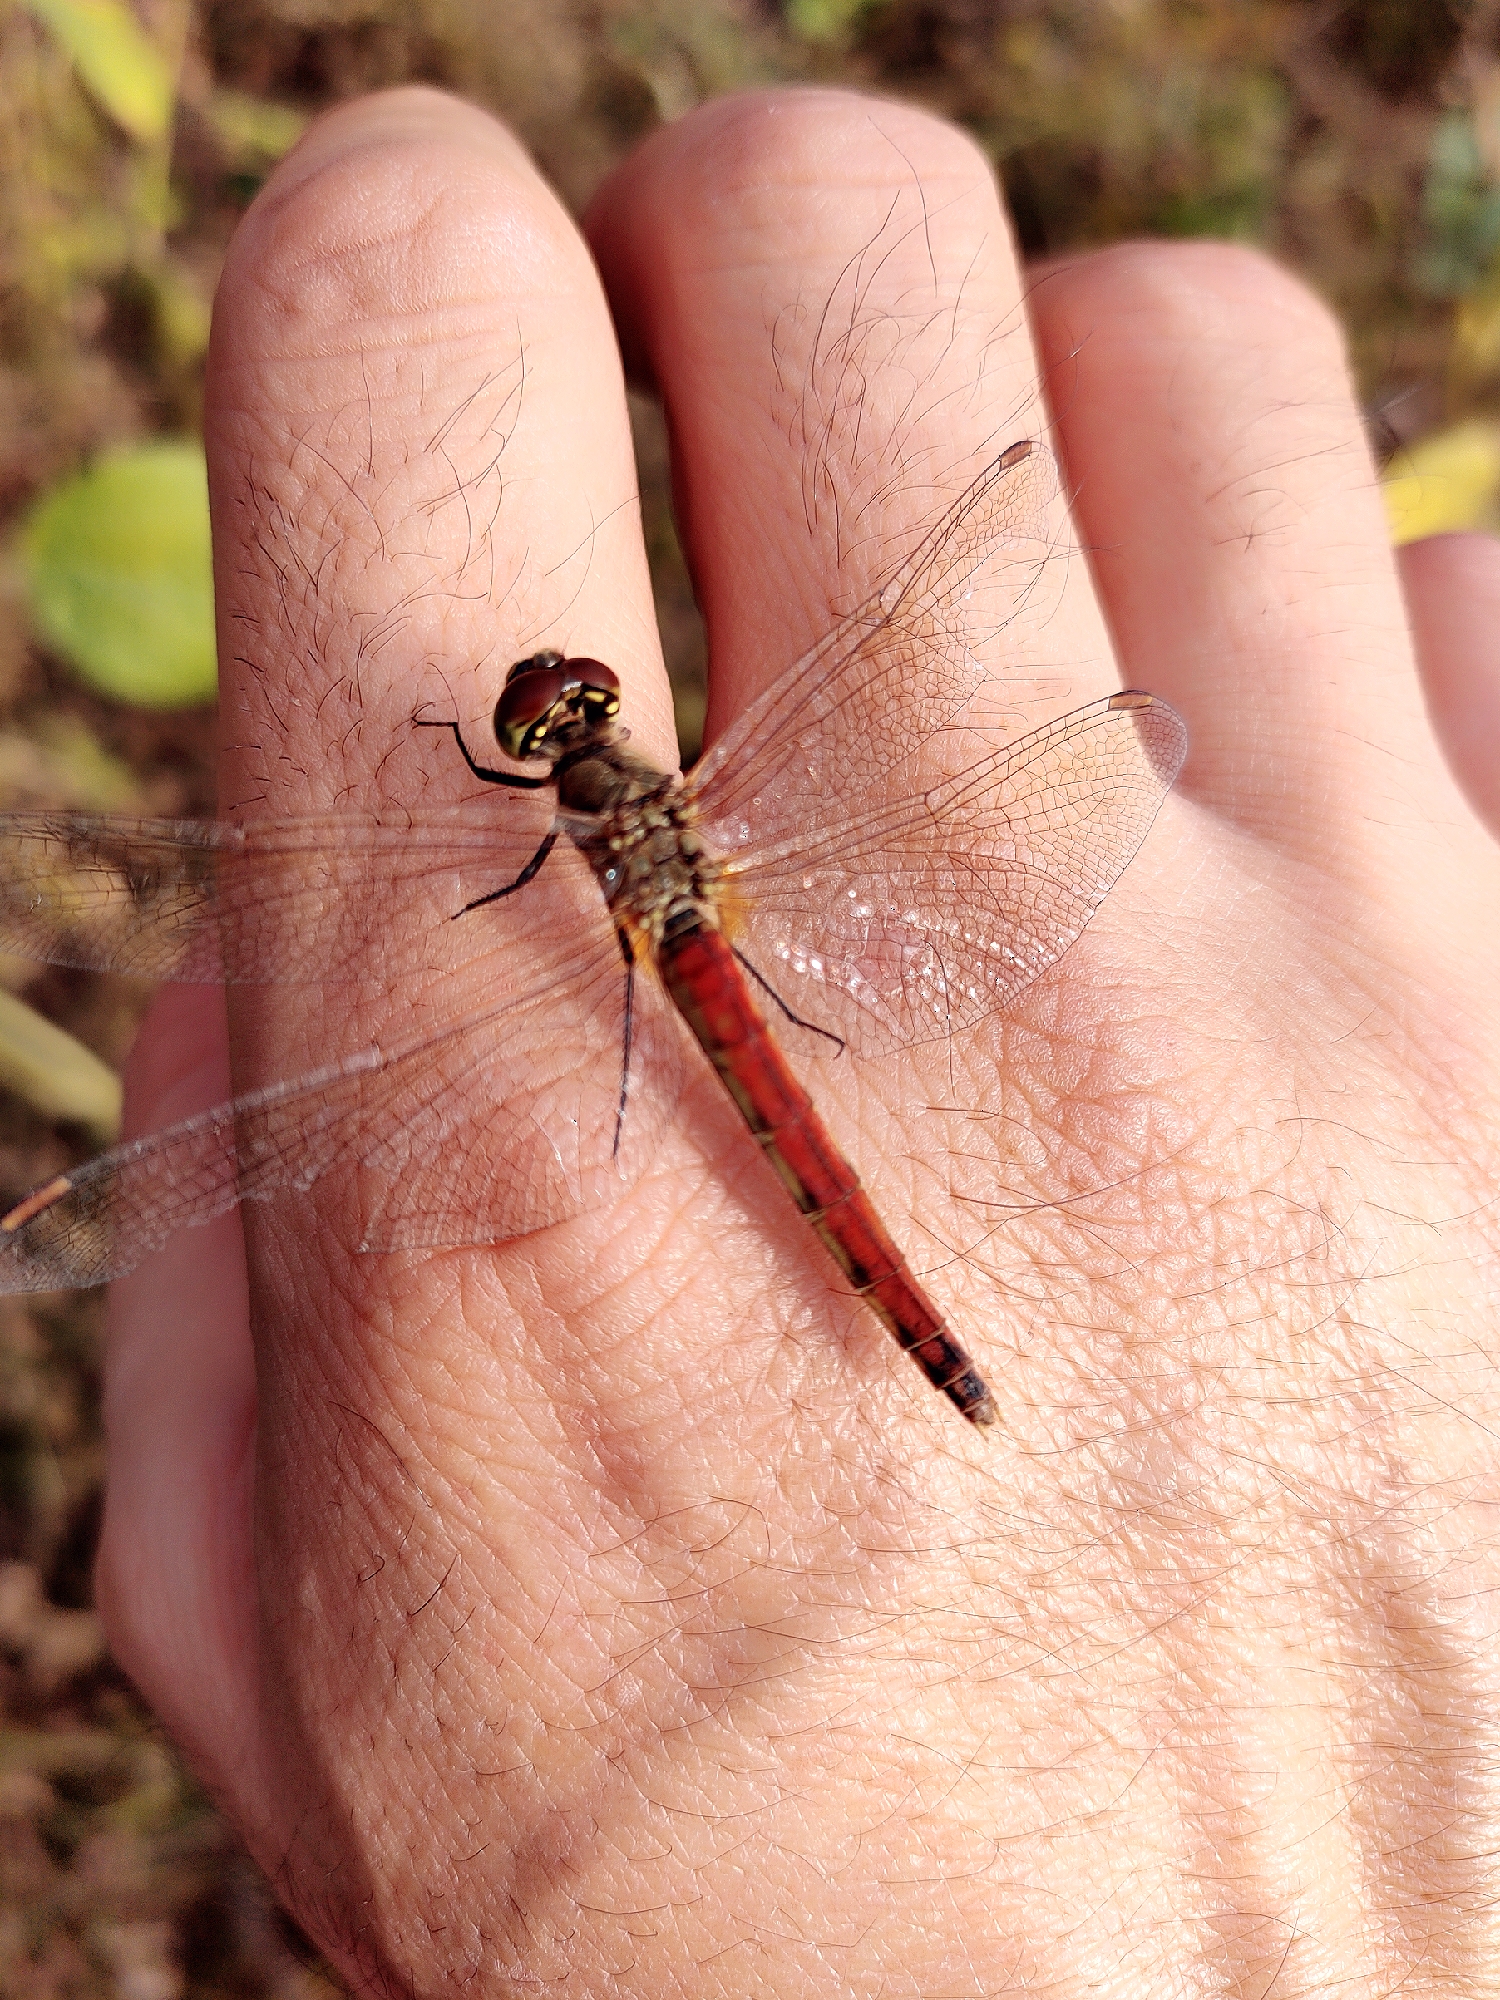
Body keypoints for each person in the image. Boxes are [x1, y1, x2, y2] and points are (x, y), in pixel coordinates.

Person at [93, 84, 1500, 1996]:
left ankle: (910, 1314)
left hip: (672, 968)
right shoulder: (661, 801)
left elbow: (496, 864)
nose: (562, 720)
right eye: (567, 710)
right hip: (719, 939)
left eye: (561, 713)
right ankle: (915, 1312)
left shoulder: (544, 829)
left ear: (555, 746)